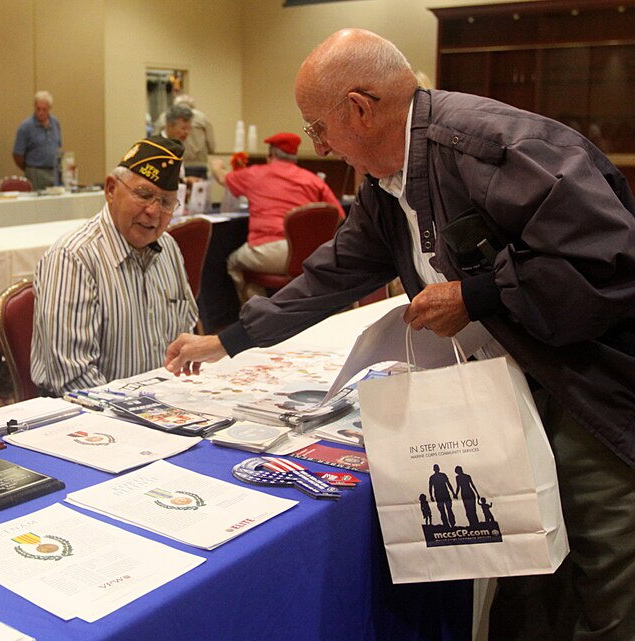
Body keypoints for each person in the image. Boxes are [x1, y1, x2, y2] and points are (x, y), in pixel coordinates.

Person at [164, 28, 635, 641]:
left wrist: (476, 294)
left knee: (605, 569)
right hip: (513, 384)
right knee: (529, 567)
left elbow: (610, 263)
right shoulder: (390, 181)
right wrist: (226, 341)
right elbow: (332, 274)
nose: (321, 145)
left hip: (589, 387)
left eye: (318, 128)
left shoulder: (491, 147)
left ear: (359, 108)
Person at [31, 135, 198, 396]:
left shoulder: (169, 249)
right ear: (111, 189)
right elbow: (72, 378)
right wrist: (144, 413)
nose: (154, 212)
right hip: (90, 418)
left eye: (166, 202)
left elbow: (184, 341)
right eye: (144, 195)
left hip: (164, 407)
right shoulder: (74, 258)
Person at [210, 132, 344, 302]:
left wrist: (216, 165)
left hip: (268, 252)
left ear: (271, 153)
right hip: (308, 254)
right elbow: (338, 216)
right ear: (294, 156)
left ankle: (256, 312)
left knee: (234, 262)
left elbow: (223, 178)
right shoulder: (313, 180)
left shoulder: (255, 174)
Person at [154, 95, 215, 178]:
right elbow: (212, 146)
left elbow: (155, 138)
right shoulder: (202, 117)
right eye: (183, 128)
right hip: (198, 164)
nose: (187, 133)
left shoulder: (163, 117)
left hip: (173, 162)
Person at [12, 90, 62, 190]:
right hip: (35, 172)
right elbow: (17, 155)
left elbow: (58, 146)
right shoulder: (26, 127)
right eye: (38, 109)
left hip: (53, 172)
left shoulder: (55, 123)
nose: (41, 112)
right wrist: (30, 168)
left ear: (49, 108)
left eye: (44, 109)